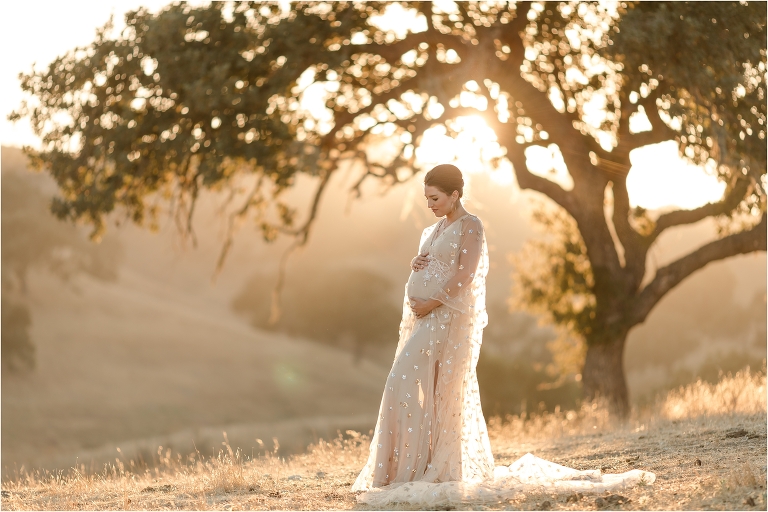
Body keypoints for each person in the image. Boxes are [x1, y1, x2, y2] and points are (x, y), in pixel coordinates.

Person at [351, 164, 655, 508]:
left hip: (447, 321)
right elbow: (434, 263)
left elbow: (466, 275)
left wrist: (431, 303)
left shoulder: (471, 226)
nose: (430, 205)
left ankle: (437, 468)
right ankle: (405, 470)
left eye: (435, 198)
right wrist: (417, 265)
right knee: (410, 386)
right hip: (425, 321)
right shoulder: (433, 229)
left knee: (424, 387)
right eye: (426, 199)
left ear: (455, 195)